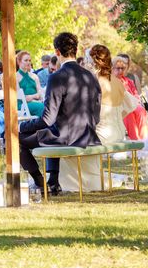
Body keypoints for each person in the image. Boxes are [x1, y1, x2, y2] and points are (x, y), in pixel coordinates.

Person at [19, 32, 102, 195]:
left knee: (12, 137)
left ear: (57, 52)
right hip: (89, 135)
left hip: (66, 137)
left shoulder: (56, 76)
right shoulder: (90, 76)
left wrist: (22, 125)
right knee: (48, 131)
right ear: (76, 50)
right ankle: (53, 181)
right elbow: (96, 116)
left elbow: (47, 119)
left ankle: (40, 182)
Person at [60, 45, 133, 192]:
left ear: (93, 62)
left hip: (101, 135)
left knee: (67, 151)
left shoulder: (93, 81)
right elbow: (130, 106)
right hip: (118, 133)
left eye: (87, 59)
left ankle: (77, 185)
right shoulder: (117, 81)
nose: (85, 63)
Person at [112, 55, 148, 140]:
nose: (120, 70)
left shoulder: (129, 81)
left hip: (132, 105)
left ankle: (144, 140)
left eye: (122, 68)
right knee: (129, 113)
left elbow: (136, 95)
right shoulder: (111, 81)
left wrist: (136, 102)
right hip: (118, 108)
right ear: (112, 68)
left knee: (141, 110)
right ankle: (135, 141)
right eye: (117, 68)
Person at [16, 51, 44, 118]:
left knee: (50, 107)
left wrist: (31, 97)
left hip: (36, 102)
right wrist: (34, 97)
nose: (28, 62)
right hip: (22, 105)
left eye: (29, 60)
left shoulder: (34, 76)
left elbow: (39, 94)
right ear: (19, 62)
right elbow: (20, 96)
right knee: (41, 107)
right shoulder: (15, 77)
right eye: (26, 60)